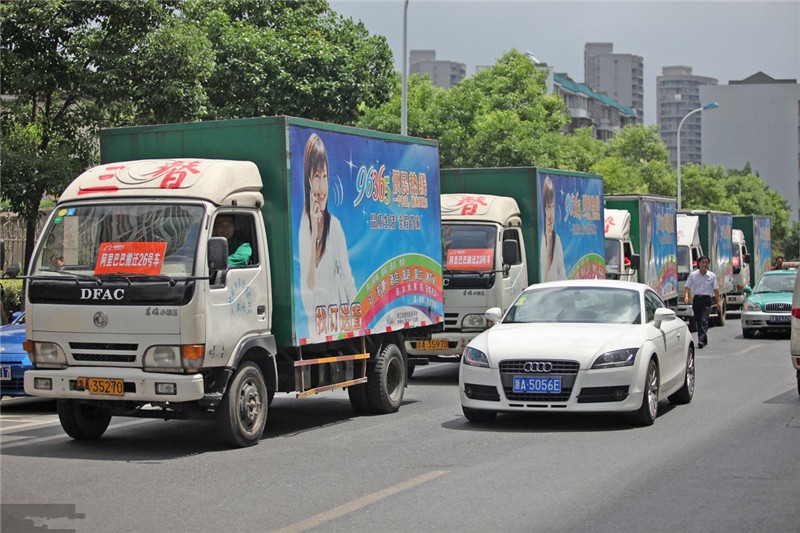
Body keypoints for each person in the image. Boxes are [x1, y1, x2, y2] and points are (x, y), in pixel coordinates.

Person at [298, 133, 356, 337]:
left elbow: (348, 279)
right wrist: (314, 232)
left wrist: (360, 322)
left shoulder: (335, 226)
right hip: (317, 329)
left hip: (339, 326)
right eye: (316, 177)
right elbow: (308, 287)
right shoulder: (304, 228)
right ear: (308, 181)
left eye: (325, 177)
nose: (322, 188)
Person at [684, 255, 721, 349]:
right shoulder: (693, 275)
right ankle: (704, 339)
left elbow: (716, 289)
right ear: (699, 263)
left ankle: (700, 340)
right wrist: (686, 296)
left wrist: (718, 302)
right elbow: (687, 287)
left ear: (708, 264)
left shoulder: (712, 276)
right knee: (698, 320)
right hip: (697, 300)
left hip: (707, 300)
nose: (704, 265)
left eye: (706, 263)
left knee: (704, 320)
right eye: (702, 262)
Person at [540, 176, 566, 282]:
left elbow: (562, 274)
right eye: (547, 208)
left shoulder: (557, 240)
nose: (550, 216)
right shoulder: (540, 242)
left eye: (552, 207)